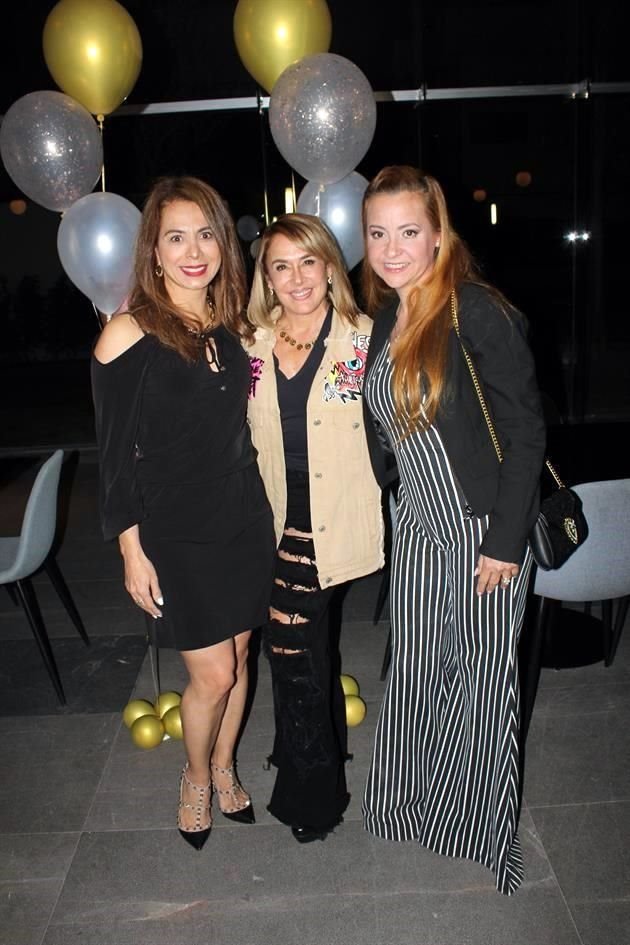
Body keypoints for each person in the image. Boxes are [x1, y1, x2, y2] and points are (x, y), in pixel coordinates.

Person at [360, 165, 546, 894]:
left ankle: (473, 823)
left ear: (439, 233)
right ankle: (409, 805)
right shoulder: (387, 313)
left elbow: (527, 431)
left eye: (409, 231)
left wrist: (505, 541)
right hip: (418, 527)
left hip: (480, 532)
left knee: (477, 681)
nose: (393, 246)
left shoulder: (474, 308)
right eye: (378, 232)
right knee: (413, 671)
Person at [91, 176, 276, 851]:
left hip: (243, 513)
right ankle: (196, 775)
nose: (193, 250)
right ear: (155, 251)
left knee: (243, 648)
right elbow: (113, 459)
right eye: (176, 236)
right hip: (176, 527)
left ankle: (226, 763)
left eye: (205, 234)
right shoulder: (127, 333)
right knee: (214, 673)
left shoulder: (231, 328)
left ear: (223, 244)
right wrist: (130, 550)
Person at [246, 213, 384, 843]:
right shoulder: (248, 344)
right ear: (267, 278)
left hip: (338, 524)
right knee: (310, 650)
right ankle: (310, 751)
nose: (297, 277)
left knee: (293, 654)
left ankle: (314, 798)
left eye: (309, 262)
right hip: (269, 523)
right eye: (282, 265)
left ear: (331, 267)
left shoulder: (366, 339)